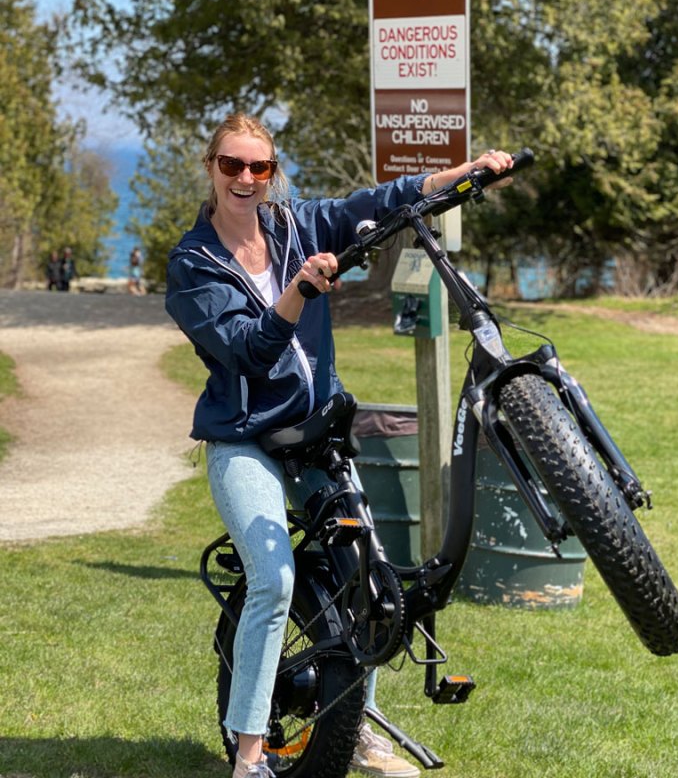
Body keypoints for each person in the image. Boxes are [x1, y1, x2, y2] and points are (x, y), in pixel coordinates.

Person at [164, 112, 514, 778]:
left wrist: (465, 172)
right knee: (274, 578)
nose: (245, 178)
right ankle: (248, 758)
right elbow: (248, 351)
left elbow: (380, 202)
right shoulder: (193, 264)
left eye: (259, 167)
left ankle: (355, 729)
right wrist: (298, 292)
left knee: (366, 575)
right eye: (232, 165)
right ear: (211, 168)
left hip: (316, 433)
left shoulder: (295, 225)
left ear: (272, 173)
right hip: (245, 440)